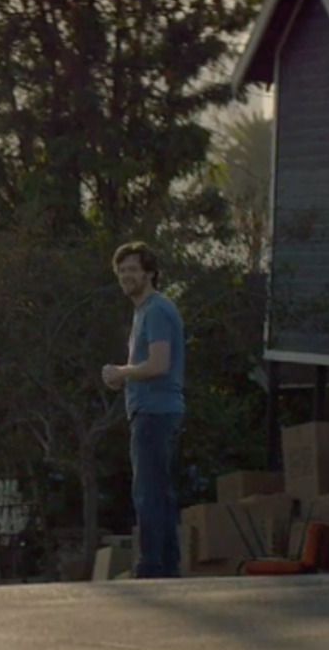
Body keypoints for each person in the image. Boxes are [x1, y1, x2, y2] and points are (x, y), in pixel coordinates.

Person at [100, 242, 186, 579]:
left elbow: (159, 364)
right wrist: (123, 378)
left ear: (149, 273)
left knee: (149, 492)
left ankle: (152, 567)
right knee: (158, 492)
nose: (126, 276)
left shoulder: (157, 310)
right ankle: (165, 566)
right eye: (121, 271)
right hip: (148, 410)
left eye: (133, 269)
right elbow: (147, 366)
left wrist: (122, 372)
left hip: (156, 413)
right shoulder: (143, 312)